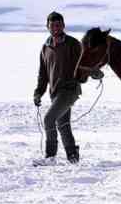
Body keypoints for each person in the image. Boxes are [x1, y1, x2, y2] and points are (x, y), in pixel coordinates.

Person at [32, 11, 101, 166]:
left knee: (49, 119)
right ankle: (72, 155)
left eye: (58, 25)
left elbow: (84, 63)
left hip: (70, 90)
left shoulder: (73, 44)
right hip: (54, 92)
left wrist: (94, 72)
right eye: (52, 25)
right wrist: (38, 93)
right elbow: (43, 74)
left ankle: (50, 157)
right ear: (47, 27)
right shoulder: (45, 47)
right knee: (63, 124)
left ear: (63, 26)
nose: (55, 28)